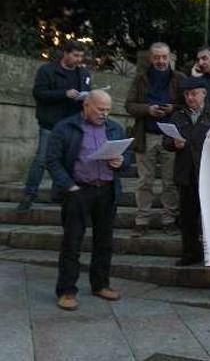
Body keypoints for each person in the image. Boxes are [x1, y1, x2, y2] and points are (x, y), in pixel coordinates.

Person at [47, 90, 131, 311]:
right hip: (78, 190)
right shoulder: (65, 128)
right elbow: (53, 160)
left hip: (106, 190)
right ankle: (66, 291)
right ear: (86, 105)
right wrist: (68, 186)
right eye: (100, 109)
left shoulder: (114, 128)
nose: (105, 114)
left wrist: (121, 161)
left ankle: (101, 284)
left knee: (104, 242)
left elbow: (127, 157)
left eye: (108, 110)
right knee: (72, 243)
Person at [18, 41, 92, 212]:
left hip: (74, 123)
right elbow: (39, 93)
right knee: (42, 159)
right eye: (75, 55)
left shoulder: (83, 73)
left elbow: (87, 92)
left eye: (81, 56)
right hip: (51, 123)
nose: (78, 59)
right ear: (65, 54)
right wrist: (64, 94)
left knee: (68, 160)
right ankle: (29, 195)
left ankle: (59, 194)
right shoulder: (47, 70)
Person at [163, 77, 210, 266]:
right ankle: (190, 252)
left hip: (208, 172)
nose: (190, 98)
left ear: (204, 94)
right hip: (186, 172)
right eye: (187, 94)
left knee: (209, 217)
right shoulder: (178, 115)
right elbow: (165, 142)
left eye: (194, 94)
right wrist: (173, 143)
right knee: (188, 217)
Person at [125, 42, 185, 237]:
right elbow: (129, 105)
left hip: (170, 136)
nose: (160, 61)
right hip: (147, 134)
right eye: (157, 57)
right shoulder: (141, 78)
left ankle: (169, 219)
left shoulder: (179, 78)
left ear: (170, 58)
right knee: (145, 181)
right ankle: (142, 220)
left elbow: (188, 105)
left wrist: (172, 108)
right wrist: (147, 109)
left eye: (164, 57)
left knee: (170, 182)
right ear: (151, 58)